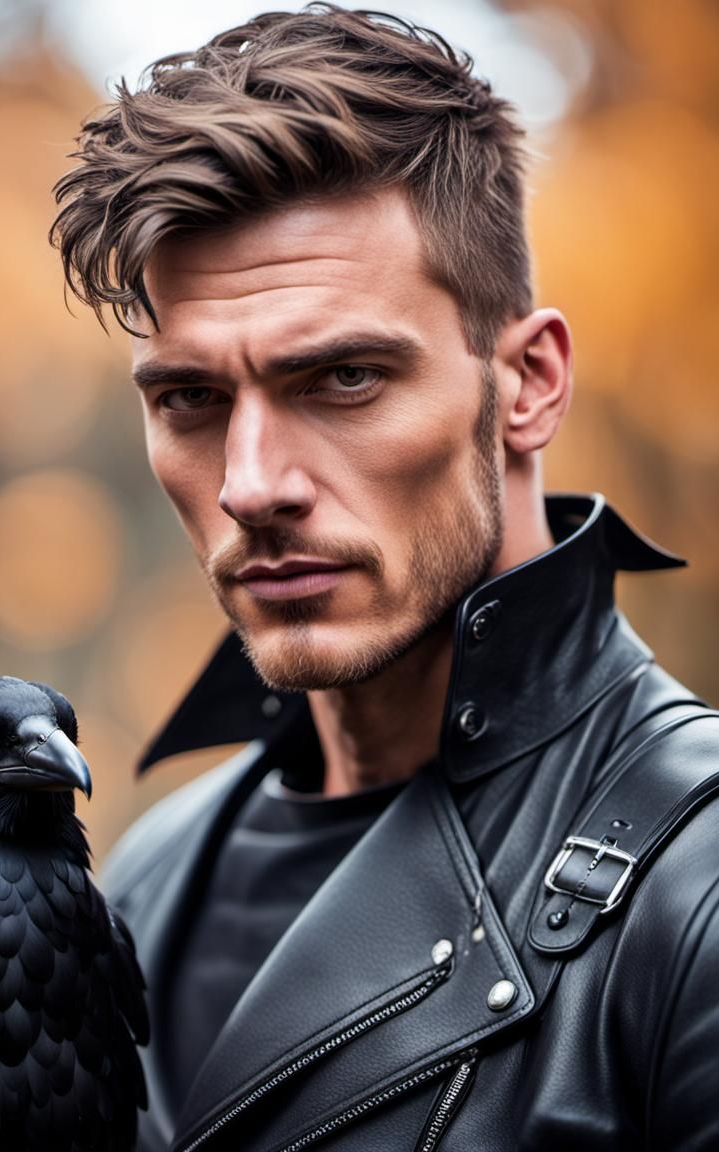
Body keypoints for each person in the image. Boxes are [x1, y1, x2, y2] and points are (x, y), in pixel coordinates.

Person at [50, 6, 719, 1150]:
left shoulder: (693, 885)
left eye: (344, 378)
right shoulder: (145, 879)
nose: (250, 484)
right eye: (189, 400)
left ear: (525, 384)